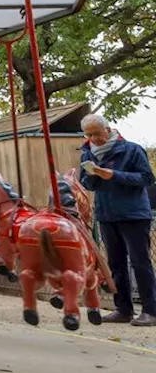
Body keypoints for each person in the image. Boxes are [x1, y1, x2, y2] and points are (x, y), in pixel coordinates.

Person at [79, 113, 156, 327]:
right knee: (115, 264)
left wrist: (114, 175)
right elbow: (84, 182)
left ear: (108, 129)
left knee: (140, 263)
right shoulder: (87, 153)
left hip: (133, 215)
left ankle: (151, 311)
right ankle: (123, 309)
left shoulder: (132, 149)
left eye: (96, 133)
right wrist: (92, 177)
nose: (93, 139)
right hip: (106, 215)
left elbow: (147, 178)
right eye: (89, 134)